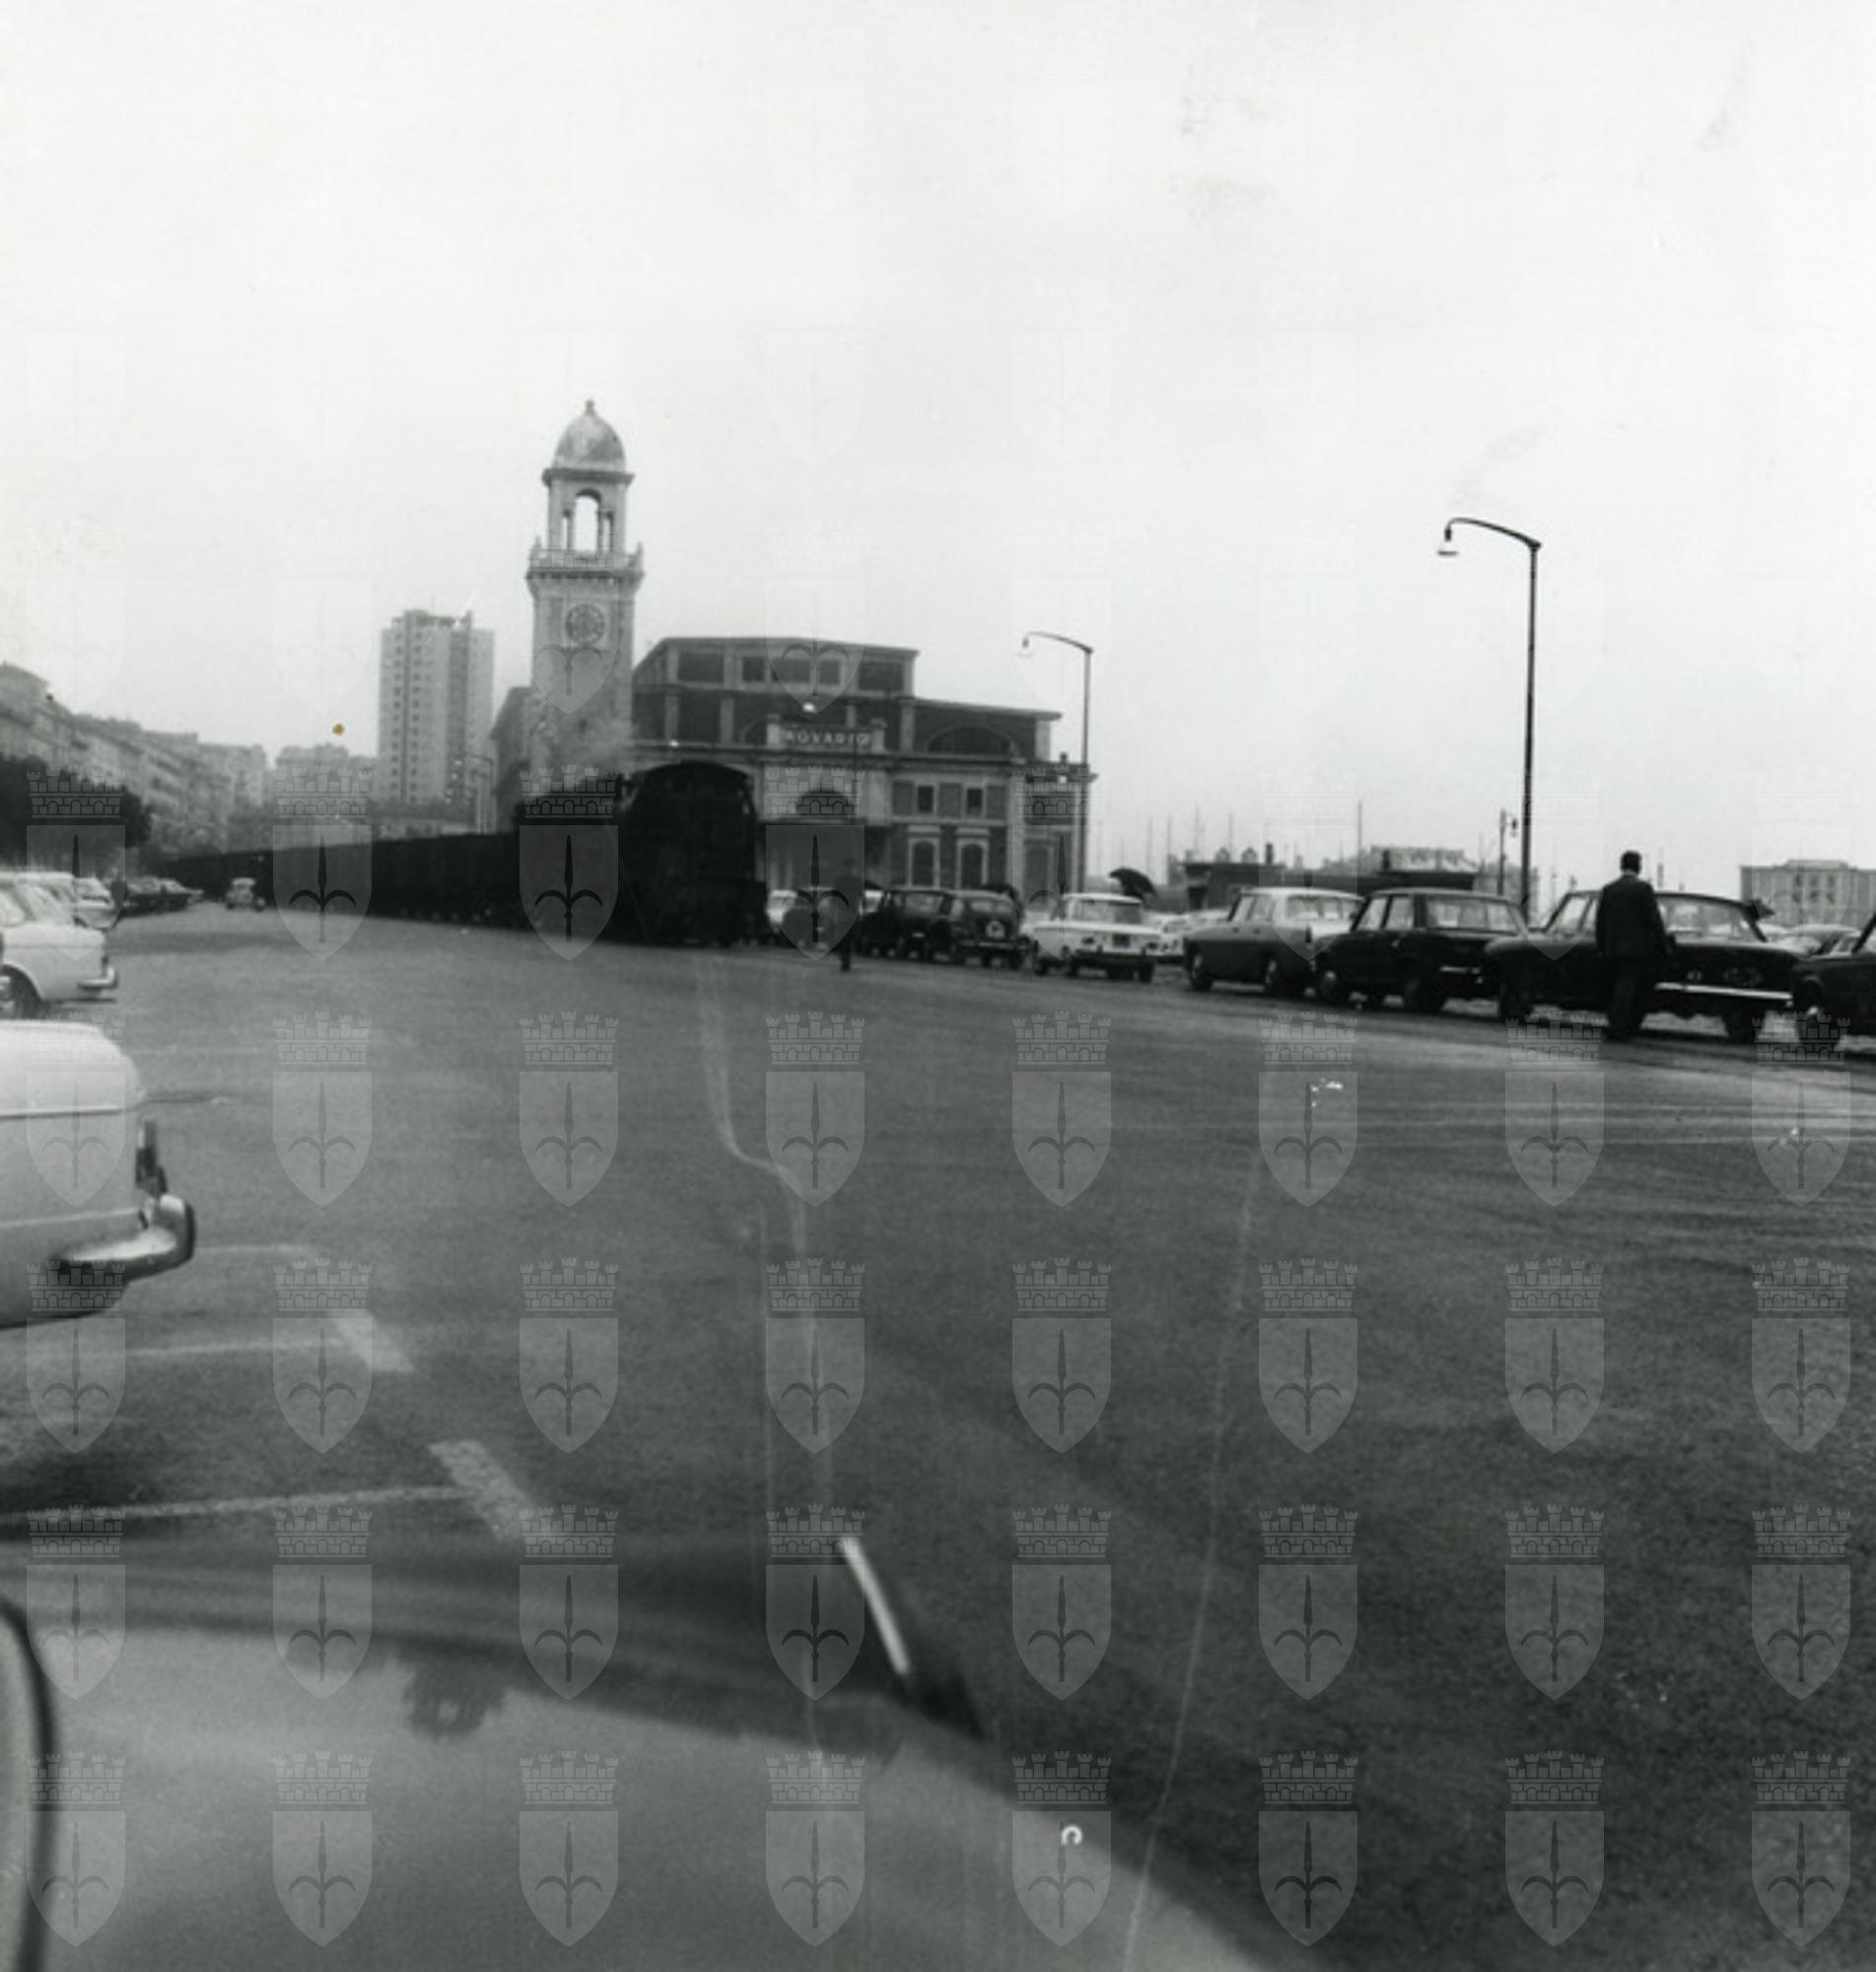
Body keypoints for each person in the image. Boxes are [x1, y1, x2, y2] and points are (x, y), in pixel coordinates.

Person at [1596, 850, 1669, 1041]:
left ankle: (1616, 1024)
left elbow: (1600, 921)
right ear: (1638, 866)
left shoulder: (1608, 890)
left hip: (1612, 948)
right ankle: (1622, 1027)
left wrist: (1601, 947)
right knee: (1628, 988)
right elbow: (1654, 921)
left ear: (1621, 866)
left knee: (1615, 987)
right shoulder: (1644, 889)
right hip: (1636, 950)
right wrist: (1662, 945)